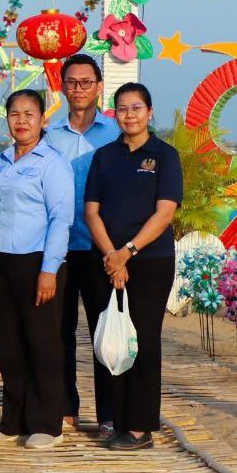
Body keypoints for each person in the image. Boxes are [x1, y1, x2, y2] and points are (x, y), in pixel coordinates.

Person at [84, 82, 182, 451]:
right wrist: (112, 255)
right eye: (122, 109)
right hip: (107, 260)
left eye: (136, 108)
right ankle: (116, 420)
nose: (129, 115)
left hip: (150, 262)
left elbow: (165, 212)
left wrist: (127, 252)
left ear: (149, 112)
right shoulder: (104, 156)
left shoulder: (165, 156)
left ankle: (140, 427)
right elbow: (91, 211)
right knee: (111, 339)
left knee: (142, 340)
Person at [0, 89, 74, 450]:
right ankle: (13, 420)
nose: (21, 121)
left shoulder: (53, 163)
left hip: (37, 261)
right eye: (14, 114)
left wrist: (49, 269)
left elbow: (61, 219)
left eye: (29, 114)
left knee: (42, 342)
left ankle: (47, 423)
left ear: (42, 119)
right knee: (7, 343)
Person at [44, 54, 120, 437]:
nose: (79, 89)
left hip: (101, 248)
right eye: (72, 82)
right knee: (58, 332)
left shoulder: (116, 132)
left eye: (86, 82)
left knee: (105, 331)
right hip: (58, 248)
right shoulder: (49, 135)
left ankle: (109, 413)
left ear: (99, 86)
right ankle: (64, 408)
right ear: (62, 87)